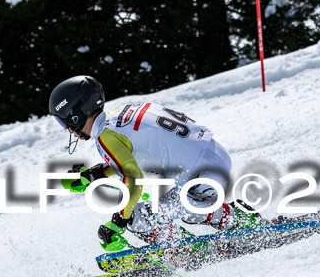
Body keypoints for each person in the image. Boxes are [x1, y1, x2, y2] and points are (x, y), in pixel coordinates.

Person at [48, 75, 264, 250]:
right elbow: (130, 159)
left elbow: (132, 177)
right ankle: (234, 219)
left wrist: (119, 222)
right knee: (170, 205)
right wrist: (94, 175)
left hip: (199, 178)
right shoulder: (120, 116)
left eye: (62, 121)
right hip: (214, 157)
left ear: (75, 115)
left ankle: (181, 250)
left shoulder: (105, 137)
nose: (66, 128)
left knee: (136, 218)